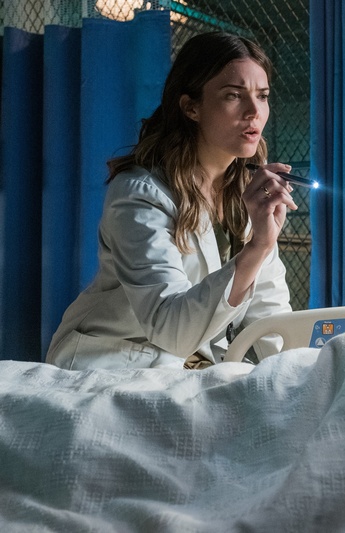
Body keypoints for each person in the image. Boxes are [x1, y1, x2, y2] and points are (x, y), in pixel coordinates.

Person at [46, 32, 296, 370]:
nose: (254, 111)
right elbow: (171, 329)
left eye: (262, 96)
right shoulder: (139, 194)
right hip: (114, 361)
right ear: (191, 107)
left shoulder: (249, 192)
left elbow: (269, 316)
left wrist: (294, 372)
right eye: (233, 95)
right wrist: (257, 248)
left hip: (191, 365)